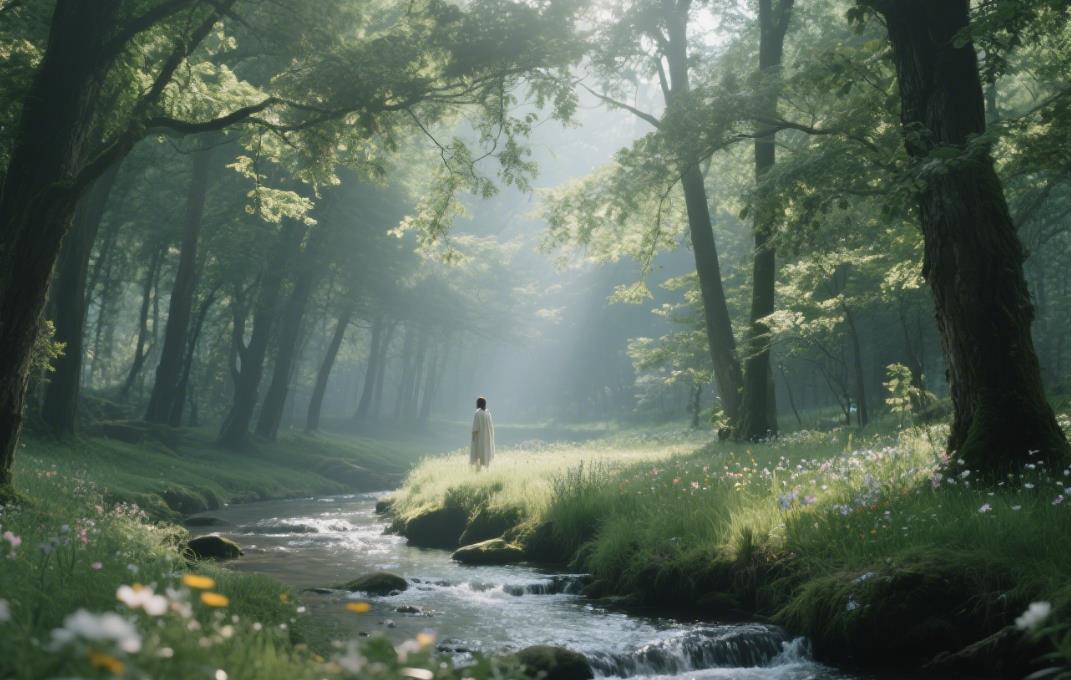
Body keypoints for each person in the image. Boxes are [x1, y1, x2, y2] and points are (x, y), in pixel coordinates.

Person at [470, 397, 495, 469]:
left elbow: (475, 428)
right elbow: (491, 428)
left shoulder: (477, 413)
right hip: (487, 439)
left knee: (478, 454)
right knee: (486, 454)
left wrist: (473, 438)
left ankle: (477, 471)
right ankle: (486, 471)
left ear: (479, 404)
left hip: (479, 438)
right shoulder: (488, 414)